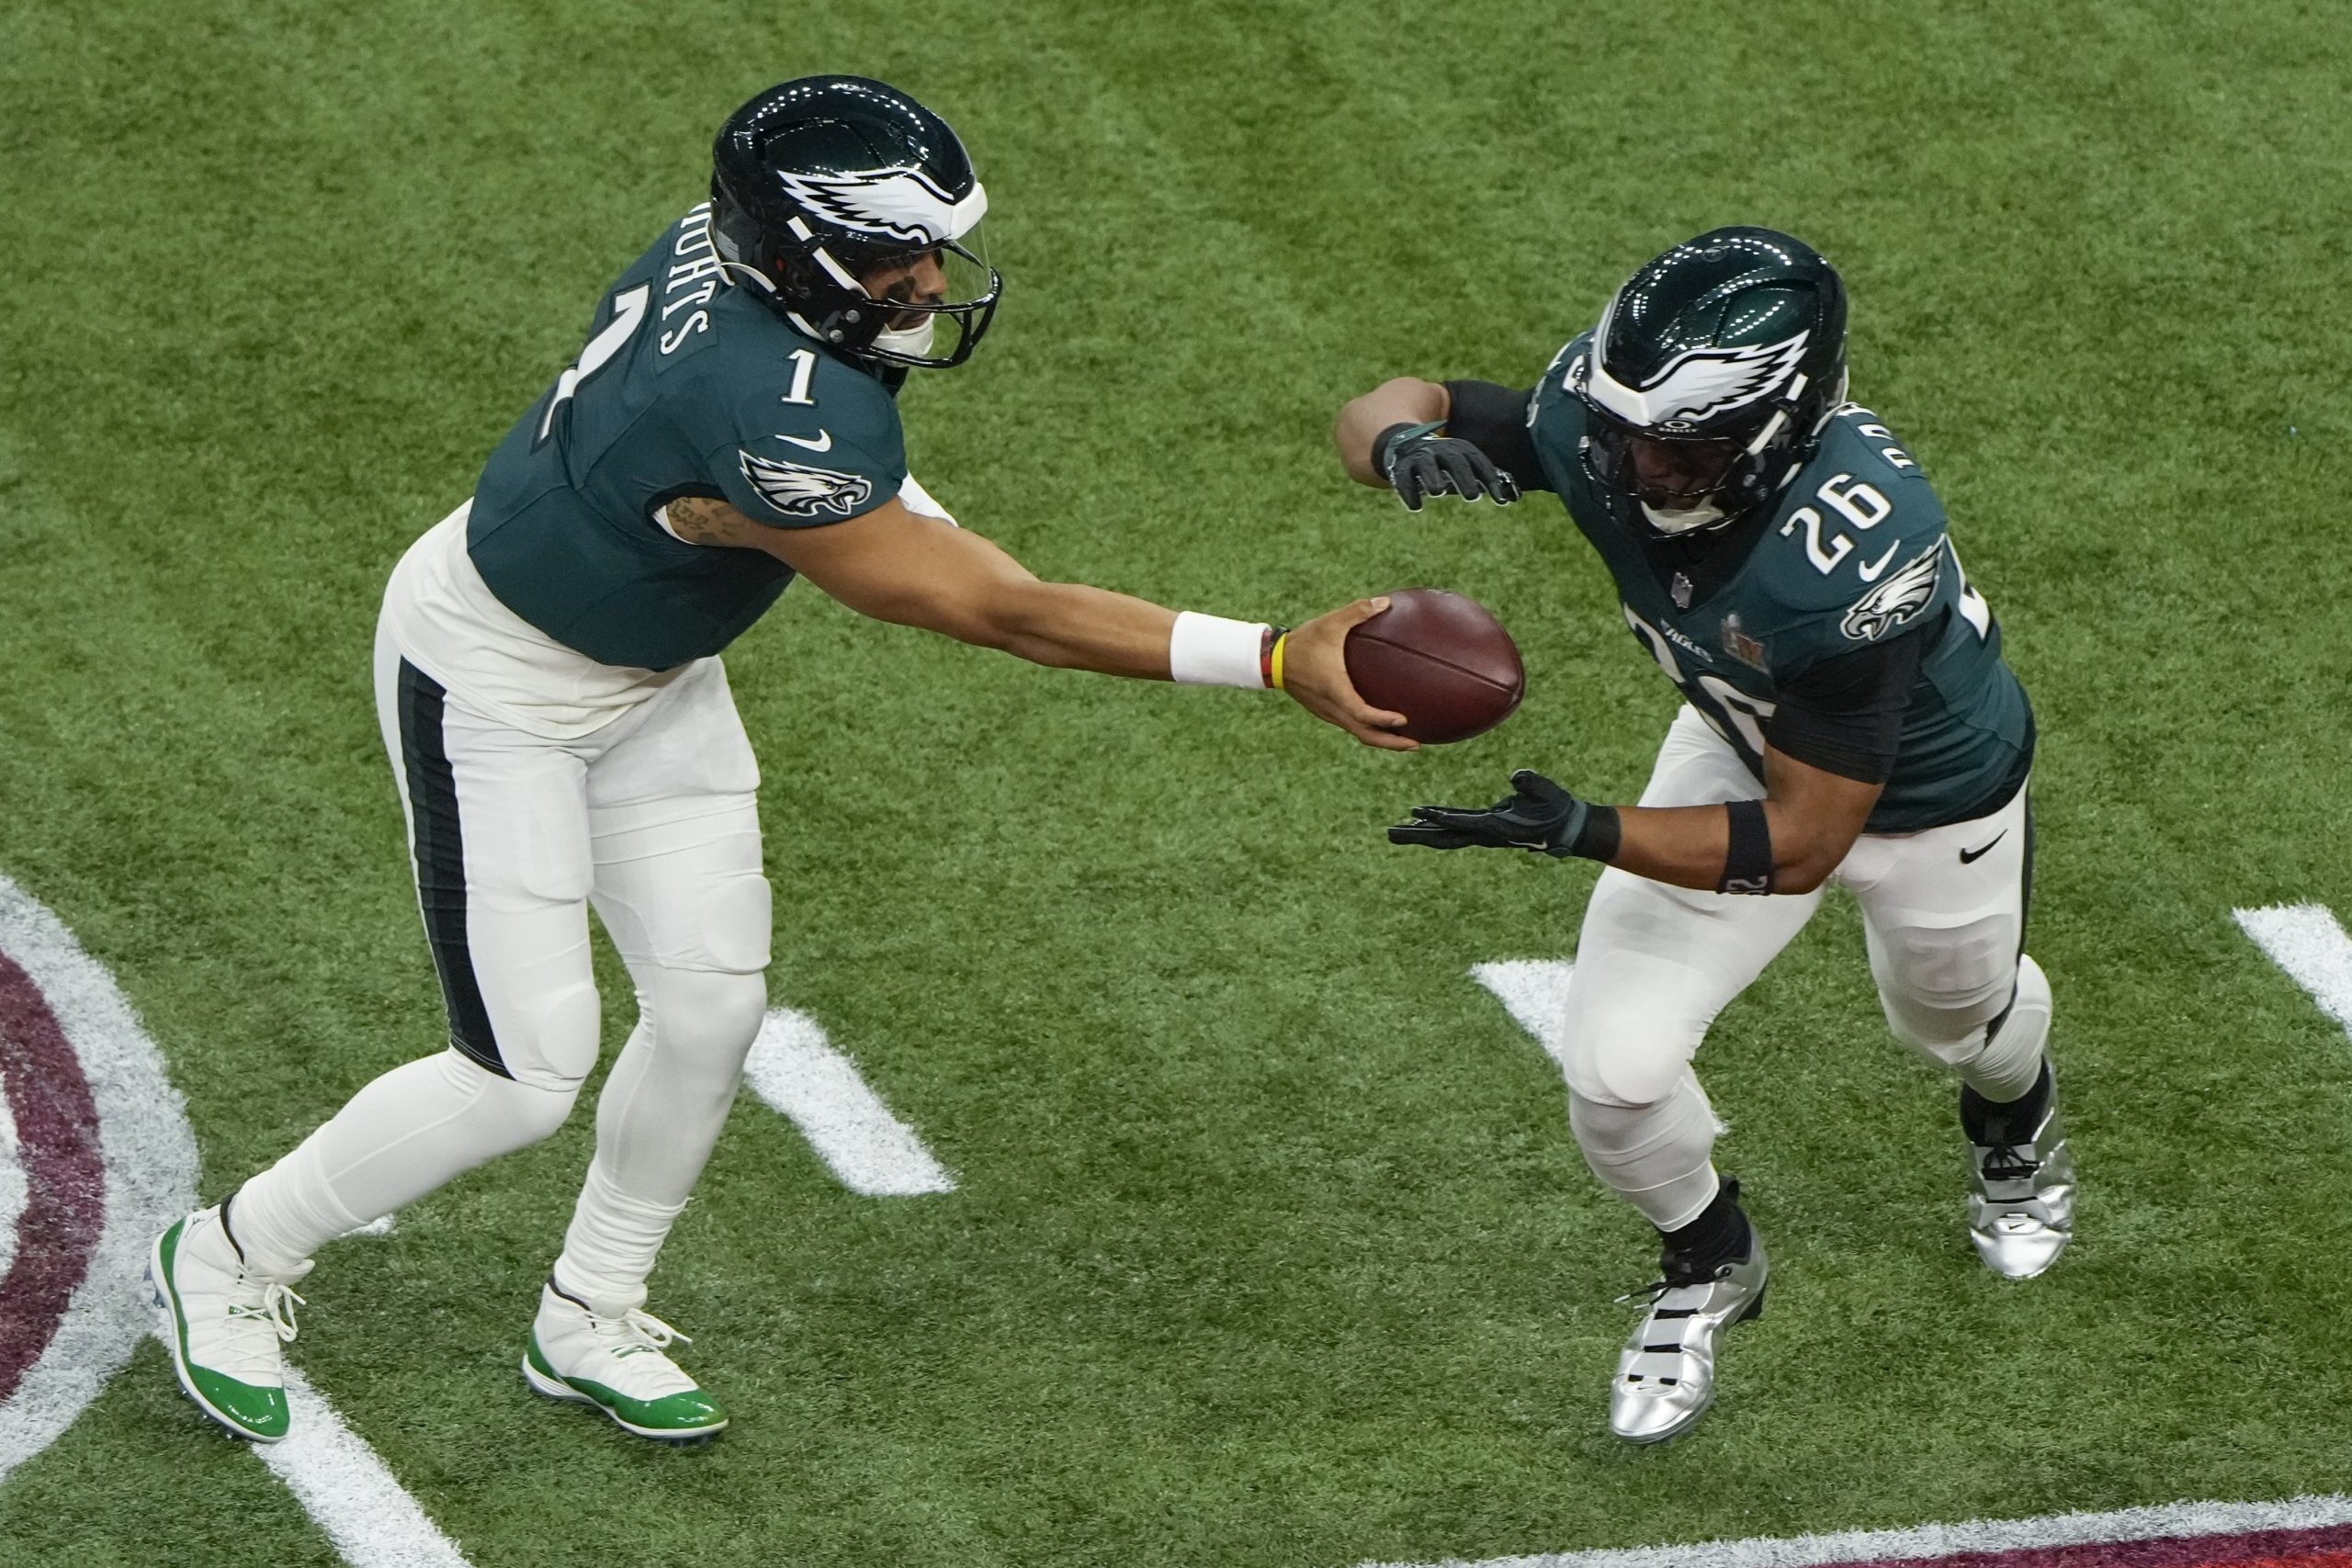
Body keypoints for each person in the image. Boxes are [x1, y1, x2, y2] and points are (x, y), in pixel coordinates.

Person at [151, 74, 1412, 1446]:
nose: (926, 279)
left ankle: (591, 1308)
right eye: (889, 257)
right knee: (520, 1071)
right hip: (499, 680)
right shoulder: (766, 402)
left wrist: (810, 508)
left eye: (928, 246)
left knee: (708, 1011)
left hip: (653, 669)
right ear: (795, 251)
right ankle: (227, 1252)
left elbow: (858, 497)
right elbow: (996, 611)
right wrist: (1276, 655)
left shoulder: (737, 265)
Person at [1334, 227, 2067, 1444]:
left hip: (1926, 804)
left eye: (1674, 444)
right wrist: (1407, 442)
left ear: (1777, 426)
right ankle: (1709, 1262)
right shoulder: (1608, 426)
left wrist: (1587, 830)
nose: (1632, 465)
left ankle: (2016, 1120)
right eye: (1622, 431)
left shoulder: (1847, 551)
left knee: (1949, 1022)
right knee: (1615, 1077)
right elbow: (1395, 402)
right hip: (1745, 745)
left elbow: (1802, 842)